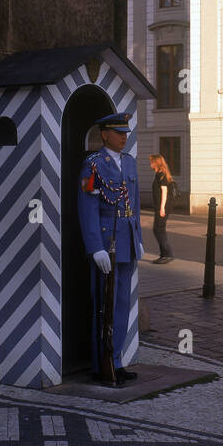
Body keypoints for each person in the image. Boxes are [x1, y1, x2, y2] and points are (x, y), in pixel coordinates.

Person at [77, 112, 144, 386]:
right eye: (118, 132)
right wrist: (95, 248)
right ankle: (100, 365)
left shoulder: (129, 163)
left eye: (126, 132)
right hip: (106, 243)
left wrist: (138, 235)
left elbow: (135, 202)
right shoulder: (92, 165)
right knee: (104, 304)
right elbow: (87, 207)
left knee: (123, 303)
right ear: (105, 134)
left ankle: (116, 361)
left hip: (127, 240)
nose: (124, 137)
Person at [149, 154, 174, 264]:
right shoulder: (159, 174)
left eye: (151, 162)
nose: (150, 164)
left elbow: (164, 192)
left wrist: (162, 208)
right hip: (161, 207)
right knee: (159, 229)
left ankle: (167, 255)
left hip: (162, 207)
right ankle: (164, 254)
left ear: (156, 163)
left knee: (158, 229)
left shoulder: (161, 175)